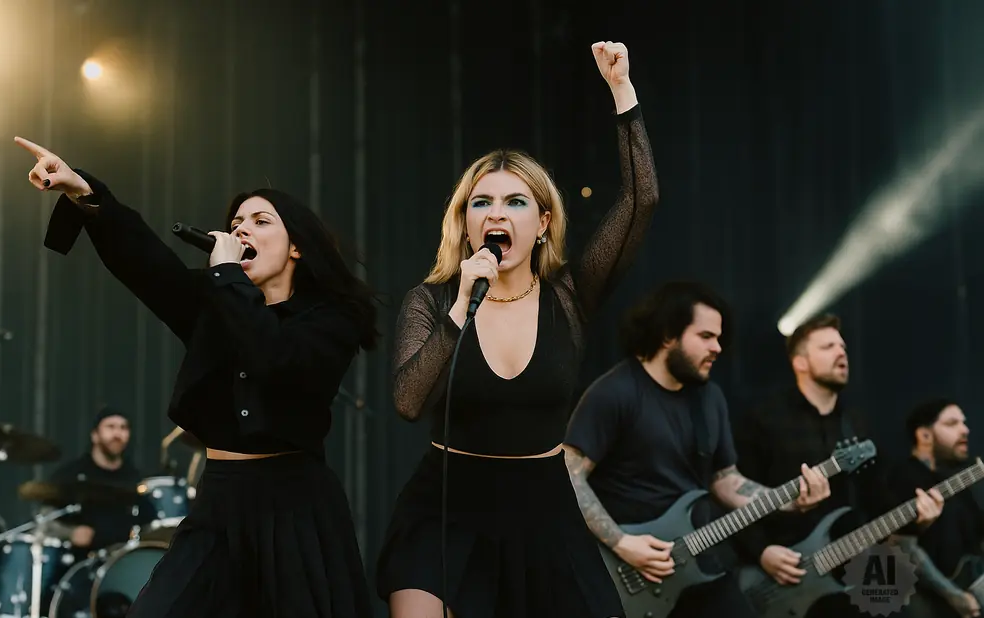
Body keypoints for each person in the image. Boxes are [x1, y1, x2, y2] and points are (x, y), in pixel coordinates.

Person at [14, 136, 378, 617]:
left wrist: (227, 276)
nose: (241, 229)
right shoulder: (214, 305)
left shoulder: (330, 319)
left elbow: (278, 357)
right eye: (236, 223)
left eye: (260, 221)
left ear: (297, 249)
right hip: (220, 499)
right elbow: (147, 262)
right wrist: (82, 190)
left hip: (295, 502)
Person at [376, 41, 658, 618]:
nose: (496, 213)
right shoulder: (430, 300)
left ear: (544, 221)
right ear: (465, 221)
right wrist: (461, 306)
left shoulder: (569, 297)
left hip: (544, 509)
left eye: (515, 201)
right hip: (447, 509)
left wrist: (622, 91)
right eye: (480, 202)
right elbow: (407, 402)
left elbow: (641, 199)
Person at [563, 281, 831, 618]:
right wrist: (621, 542)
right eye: (706, 337)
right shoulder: (614, 392)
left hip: (699, 560)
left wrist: (789, 500)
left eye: (719, 337)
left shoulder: (709, 399)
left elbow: (726, 481)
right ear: (667, 336)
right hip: (630, 568)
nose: (718, 347)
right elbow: (568, 475)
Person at [732, 313, 944, 618]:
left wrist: (918, 520)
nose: (841, 352)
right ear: (800, 362)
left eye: (842, 346)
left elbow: (878, 502)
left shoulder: (856, 424)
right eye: (828, 346)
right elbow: (735, 495)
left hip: (855, 554)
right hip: (788, 567)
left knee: (913, 610)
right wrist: (761, 551)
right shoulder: (764, 419)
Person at [886, 399, 982, 618]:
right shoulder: (902, 476)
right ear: (925, 435)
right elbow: (901, 546)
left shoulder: (955, 481)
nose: (965, 430)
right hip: (928, 600)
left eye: (964, 423)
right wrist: (953, 596)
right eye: (952, 423)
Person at [45, 405, 150, 552]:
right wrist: (70, 533)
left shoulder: (135, 478)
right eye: (110, 427)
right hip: (78, 562)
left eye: (123, 428)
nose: (117, 434)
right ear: (95, 435)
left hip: (124, 559)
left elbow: (151, 526)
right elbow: (44, 521)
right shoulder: (70, 475)